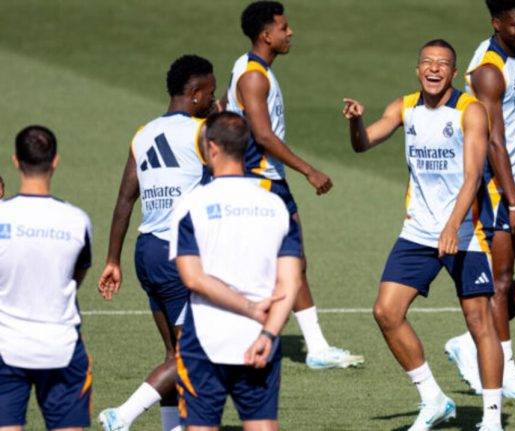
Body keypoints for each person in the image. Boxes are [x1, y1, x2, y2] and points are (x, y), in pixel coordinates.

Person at [343, 39, 504, 431]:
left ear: (453, 72)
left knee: (479, 321)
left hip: (465, 232)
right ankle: (433, 398)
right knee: (386, 312)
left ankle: (492, 418)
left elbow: (473, 177)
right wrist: (355, 122)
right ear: (417, 69)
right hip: (417, 231)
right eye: (428, 62)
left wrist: (452, 226)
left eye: (443, 63)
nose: (434, 69)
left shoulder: (470, 111)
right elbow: (363, 144)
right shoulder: (405, 107)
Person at [225, 0, 363, 369]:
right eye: (283, 28)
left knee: (293, 262)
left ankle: (314, 346)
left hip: (265, 181)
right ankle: (303, 345)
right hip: (260, 182)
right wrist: (309, 170)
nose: (290, 33)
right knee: (282, 263)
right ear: (265, 35)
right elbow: (264, 136)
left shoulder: (247, 68)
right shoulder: (254, 77)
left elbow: (224, 109)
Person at [97, 55, 217, 431]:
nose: (213, 100)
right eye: (210, 93)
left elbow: (124, 200)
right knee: (192, 356)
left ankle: (170, 427)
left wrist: (112, 260)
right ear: (194, 93)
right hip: (178, 255)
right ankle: (123, 416)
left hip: (146, 251)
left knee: (173, 352)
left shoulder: (143, 133)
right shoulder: (202, 133)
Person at [444, 0, 515, 401]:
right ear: (496, 23)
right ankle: (505, 370)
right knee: (502, 280)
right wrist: (513, 202)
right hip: (495, 187)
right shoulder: (489, 71)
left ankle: (470, 341)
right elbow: (493, 142)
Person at [172, 112, 302, 431]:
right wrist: (268, 332)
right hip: (260, 338)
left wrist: (248, 307)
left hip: (204, 339)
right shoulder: (276, 205)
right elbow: (291, 282)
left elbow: (193, 278)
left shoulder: (190, 204)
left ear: (212, 148)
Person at [0, 126, 93, 431]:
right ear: (55, 161)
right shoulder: (77, 221)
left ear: (16, 161)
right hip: (61, 347)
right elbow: (76, 276)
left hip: (5, 346)